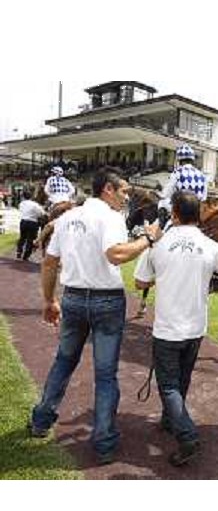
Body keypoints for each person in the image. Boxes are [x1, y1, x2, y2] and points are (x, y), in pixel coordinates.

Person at [29, 167, 163, 465]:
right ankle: (102, 442)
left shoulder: (66, 218)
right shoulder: (110, 217)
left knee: (63, 361)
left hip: (73, 298)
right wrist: (148, 239)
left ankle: (40, 421)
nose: (127, 197)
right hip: (106, 301)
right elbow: (116, 254)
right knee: (105, 374)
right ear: (108, 190)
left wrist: (49, 300)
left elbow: (50, 263)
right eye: (124, 191)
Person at [134, 191, 218, 466]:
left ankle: (186, 436)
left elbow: (140, 283)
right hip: (195, 329)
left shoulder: (158, 244)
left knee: (168, 386)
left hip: (167, 329)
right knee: (182, 380)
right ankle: (169, 420)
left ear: (173, 214)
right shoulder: (210, 246)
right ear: (198, 215)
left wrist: (161, 277)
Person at [159, 145, 208, 223]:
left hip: (181, 214)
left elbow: (166, 194)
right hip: (196, 215)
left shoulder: (177, 173)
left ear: (179, 160)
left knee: (162, 202)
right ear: (192, 160)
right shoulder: (202, 175)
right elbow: (204, 198)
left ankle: (162, 228)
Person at [16, 190, 46, 261]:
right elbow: (41, 213)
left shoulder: (21, 204)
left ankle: (19, 251)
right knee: (30, 239)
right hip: (32, 222)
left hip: (23, 221)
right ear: (31, 196)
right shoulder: (35, 204)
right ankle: (26, 255)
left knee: (22, 237)